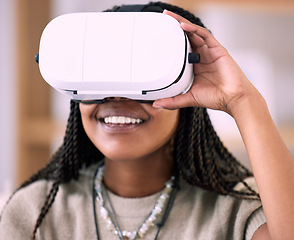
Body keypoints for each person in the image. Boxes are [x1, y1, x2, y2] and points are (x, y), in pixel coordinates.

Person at [1, 2, 293, 240]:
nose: (117, 97)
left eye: (143, 79)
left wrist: (244, 101)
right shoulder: (35, 210)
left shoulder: (235, 208)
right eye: (101, 76)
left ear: (185, 86)